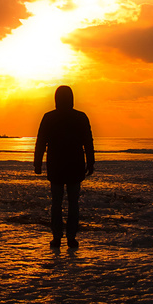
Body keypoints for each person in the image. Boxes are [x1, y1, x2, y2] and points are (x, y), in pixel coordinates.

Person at [33, 84, 95, 248]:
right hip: (73, 165)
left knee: (57, 202)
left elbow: (41, 142)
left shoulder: (49, 117)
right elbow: (88, 141)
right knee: (72, 203)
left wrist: (37, 163)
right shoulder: (80, 117)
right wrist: (91, 161)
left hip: (57, 165)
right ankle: (70, 237)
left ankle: (58, 237)